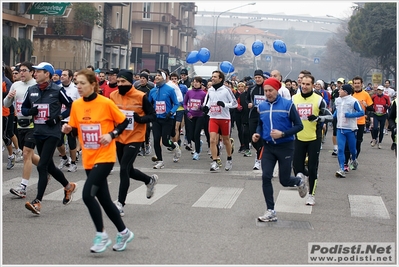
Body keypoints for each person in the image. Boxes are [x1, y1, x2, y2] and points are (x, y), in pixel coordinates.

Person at [62, 69, 134, 253]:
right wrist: (69, 129)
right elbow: (79, 130)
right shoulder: (76, 105)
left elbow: (124, 122)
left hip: (105, 157)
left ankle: (101, 235)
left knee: (87, 195)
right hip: (88, 158)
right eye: (77, 83)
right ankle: (124, 232)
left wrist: (111, 135)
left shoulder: (105, 103)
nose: (78, 86)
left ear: (93, 84)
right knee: (105, 200)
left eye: (82, 83)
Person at [20, 62, 77, 215]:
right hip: (38, 132)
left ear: (48, 75)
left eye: (39, 71)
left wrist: (58, 117)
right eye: (35, 71)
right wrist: (29, 111)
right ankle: (68, 186)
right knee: (50, 166)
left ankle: (37, 202)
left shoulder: (57, 90)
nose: (35, 73)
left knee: (42, 166)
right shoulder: (31, 90)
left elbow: (71, 106)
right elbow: (23, 109)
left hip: (52, 133)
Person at [253, 78, 306, 222]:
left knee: (284, 180)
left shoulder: (288, 105)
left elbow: (299, 126)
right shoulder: (262, 106)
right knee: (266, 177)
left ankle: (299, 180)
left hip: (285, 146)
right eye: (266, 91)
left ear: (277, 90)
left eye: (271, 90)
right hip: (269, 147)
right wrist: (257, 133)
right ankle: (271, 211)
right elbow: (260, 124)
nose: (268, 93)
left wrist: (283, 134)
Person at [109, 69, 158, 217]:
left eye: (123, 81)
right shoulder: (112, 96)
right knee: (128, 170)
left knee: (124, 168)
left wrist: (140, 119)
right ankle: (149, 180)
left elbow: (152, 115)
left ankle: (120, 204)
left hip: (135, 137)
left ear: (131, 82)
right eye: (118, 82)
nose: (120, 84)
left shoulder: (140, 96)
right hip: (119, 137)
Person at [292, 74, 333, 206]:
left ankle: (311, 195)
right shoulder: (294, 98)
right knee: (297, 167)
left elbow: (330, 117)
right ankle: (303, 180)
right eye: (302, 84)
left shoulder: (319, 100)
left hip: (314, 138)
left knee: (313, 167)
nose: (304, 86)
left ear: (313, 85)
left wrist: (318, 118)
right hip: (298, 137)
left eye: (307, 84)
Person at [4, 61, 40, 198]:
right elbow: (6, 104)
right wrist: (9, 97)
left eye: (25, 70)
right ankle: (47, 169)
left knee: (26, 153)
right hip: (20, 123)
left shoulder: (36, 86)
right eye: (20, 71)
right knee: (29, 155)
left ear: (32, 72)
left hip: (33, 124)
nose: (21, 73)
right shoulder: (16, 85)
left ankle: (23, 187)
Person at [203, 70, 238, 171]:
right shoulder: (210, 90)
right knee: (212, 140)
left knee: (226, 140)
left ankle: (229, 158)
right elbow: (208, 102)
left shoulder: (226, 90)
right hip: (213, 117)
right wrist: (205, 107)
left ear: (220, 79)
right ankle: (215, 162)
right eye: (212, 76)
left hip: (224, 118)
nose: (212, 78)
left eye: (215, 77)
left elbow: (235, 104)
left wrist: (224, 104)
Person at [148, 69, 181, 168]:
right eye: (156, 75)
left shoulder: (170, 89)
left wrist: (171, 112)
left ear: (164, 77)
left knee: (166, 142)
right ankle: (160, 161)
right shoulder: (152, 91)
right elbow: (149, 104)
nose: (157, 77)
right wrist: (150, 112)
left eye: (159, 75)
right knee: (156, 140)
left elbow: (176, 103)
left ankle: (174, 146)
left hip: (167, 119)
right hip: (156, 119)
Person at [333, 84, 364, 178]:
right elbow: (337, 111)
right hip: (340, 128)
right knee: (341, 149)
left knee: (352, 150)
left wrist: (350, 115)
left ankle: (354, 160)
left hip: (351, 129)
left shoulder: (353, 101)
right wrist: (332, 116)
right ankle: (341, 169)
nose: (338, 91)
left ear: (345, 91)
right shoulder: (337, 100)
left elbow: (362, 112)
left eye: (340, 90)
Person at [56, 69, 81, 172]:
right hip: (59, 119)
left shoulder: (75, 89)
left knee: (71, 143)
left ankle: (73, 163)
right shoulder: (57, 88)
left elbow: (79, 104)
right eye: (61, 75)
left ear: (70, 78)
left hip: (71, 119)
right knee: (58, 141)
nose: (62, 77)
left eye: (65, 75)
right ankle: (64, 158)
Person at [346, 76, 373, 162]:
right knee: (348, 142)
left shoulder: (365, 94)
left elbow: (371, 108)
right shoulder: (349, 94)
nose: (357, 85)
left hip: (360, 122)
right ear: (353, 84)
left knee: (358, 141)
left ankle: (354, 158)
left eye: (358, 83)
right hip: (349, 122)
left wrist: (366, 106)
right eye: (355, 83)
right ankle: (346, 160)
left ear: (361, 84)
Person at [246, 69, 266, 170]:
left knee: (261, 138)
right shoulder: (251, 88)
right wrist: (249, 104)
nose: (257, 79)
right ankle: (259, 152)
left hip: (264, 116)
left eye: (259, 77)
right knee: (252, 137)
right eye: (256, 78)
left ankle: (258, 159)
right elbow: (246, 99)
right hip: (253, 115)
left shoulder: (267, 88)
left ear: (263, 78)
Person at [183, 76, 207, 160]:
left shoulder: (203, 94)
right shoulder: (189, 92)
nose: (195, 83)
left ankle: (197, 152)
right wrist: (187, 112)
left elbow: (206, 105)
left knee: (197, 134)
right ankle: (199, 143)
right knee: (191, 135)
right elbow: (184, 103)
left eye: (197, 82)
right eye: (194, 82)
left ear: (200, 84)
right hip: (190, 115)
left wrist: (200, 107)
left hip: (199, 116)